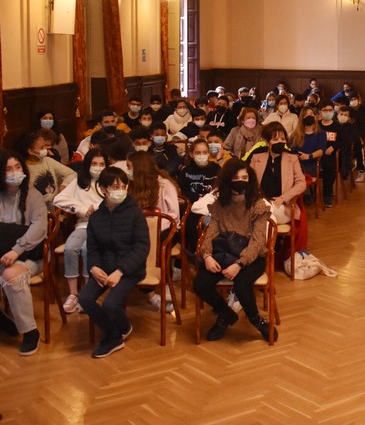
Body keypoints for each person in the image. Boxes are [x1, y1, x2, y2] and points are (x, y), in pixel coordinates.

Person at [0, 150, 48, 355]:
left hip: (27, 255)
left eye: (18, 167)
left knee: (11, 276)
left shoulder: (33, 196)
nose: (14, 172)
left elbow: (39, 227)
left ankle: (30, 331)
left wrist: (17, 250)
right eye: (8, 169)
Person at [195, 159, 277, 342]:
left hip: (251, 257)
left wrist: (239, 264)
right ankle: (226, 314)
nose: (241, 181)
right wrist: (207, 255)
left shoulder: (257, 205)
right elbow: (210, 234)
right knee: (200, 284)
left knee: (241, 285)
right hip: (223, 254)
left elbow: (257, 242)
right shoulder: (220, 204)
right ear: (227, 180)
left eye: (245, 177)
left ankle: (257, 320)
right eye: (236, 178)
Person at [77, 166, 150, 358]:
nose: (120, 190)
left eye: (123, 186)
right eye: (115, 186)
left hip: (130, 269)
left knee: (110, 304)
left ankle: (119, 330)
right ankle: (114, 332)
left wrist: (120, 272)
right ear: (103, 189)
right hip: (105, 267)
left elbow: (142, 248)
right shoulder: (96, 217)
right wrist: (93, 267)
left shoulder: (135, 214)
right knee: (84, 299)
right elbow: (92, 248)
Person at [51, 149, 107, 313]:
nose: (98, 167)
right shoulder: (79, 182)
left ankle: (87, 294)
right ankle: (73, 293)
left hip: (102, 226)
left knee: (86, 250)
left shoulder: (110, 180)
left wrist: (96, 208)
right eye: (94, 164)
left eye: (102, 164)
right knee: (70, 247)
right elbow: (59, 199)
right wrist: (81, 208)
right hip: (84, 224)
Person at [127, 150, 180, 314]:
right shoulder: (130, 186)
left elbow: (174, 216)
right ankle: (149, 292)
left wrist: (152, 226)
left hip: (165, 228)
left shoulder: (164, 185)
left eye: (129, 167)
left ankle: (162, 284)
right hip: (139, 230)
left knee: (150, 247)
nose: (127, 170)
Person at [248, 122, 308, 251]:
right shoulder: (257, 157)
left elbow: (301, 183)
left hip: (282, 206)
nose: (280, 142)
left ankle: (261, 254)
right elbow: (249, 182)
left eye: (283, 139)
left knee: (264, 215)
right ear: (268, 141)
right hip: (260, 203)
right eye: (275, 139)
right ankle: (267, 251)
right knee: (264, 215)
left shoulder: (292, 158)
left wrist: (284, 197)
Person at [18, 131, 76, 208]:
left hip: (56, 206)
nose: (46, 150)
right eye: (41, 148)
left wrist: (63, 185)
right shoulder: (23, 169)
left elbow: (72, 174)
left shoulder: (48, 161)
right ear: (31, 151)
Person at [177, 139, 221, 204]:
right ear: (192, 154)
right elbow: (182, 191)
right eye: (198, 153)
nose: (201, 155)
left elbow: (221, 188)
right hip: (192, 205)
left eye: (205, 152)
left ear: (209, 153)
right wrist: (196, 197)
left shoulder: (216, 168)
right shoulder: (186, 170)